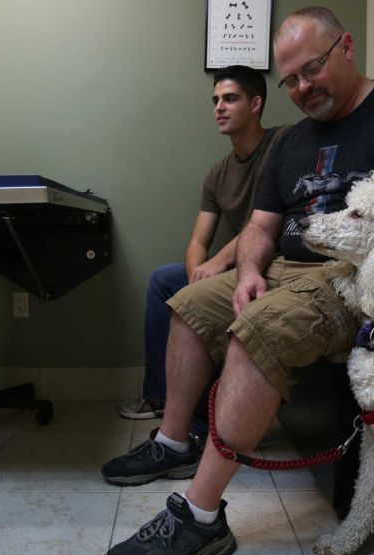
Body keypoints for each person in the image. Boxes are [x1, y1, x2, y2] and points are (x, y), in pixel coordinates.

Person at [104, 6, 374, 555]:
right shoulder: (289, 142)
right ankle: (172, 441)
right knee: (187, 303)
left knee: (257, 330)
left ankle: (202, 516)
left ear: (347, 48)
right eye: (290, 80)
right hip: (284, 266)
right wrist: (252, 270)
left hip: (355, 280)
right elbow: (259, 227)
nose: (302, 88)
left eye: (312, 69)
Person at [106, 67, 285, 484]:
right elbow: (196, 243)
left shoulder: (282, 145)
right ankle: (161, 399)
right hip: (232, 266)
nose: (219, 107)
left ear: (256, 104)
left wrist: (220, 264)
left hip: (270, 261)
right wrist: (195, 278)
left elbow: (262, 225)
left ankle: (195, 428)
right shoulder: (218, 173)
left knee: (200, 286)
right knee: (164, 281)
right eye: (216, 101)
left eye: (231, 99)